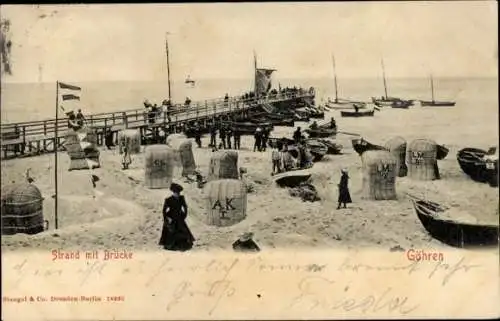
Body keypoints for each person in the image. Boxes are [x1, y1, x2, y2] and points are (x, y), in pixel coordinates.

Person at [159, 183, 195, 251]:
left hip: (179, 217)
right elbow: (164, 210)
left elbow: (185, 207)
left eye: (178, 193)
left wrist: (184, 215)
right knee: (171, 231)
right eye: (176, 192)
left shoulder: (181, 198)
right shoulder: (168, 199)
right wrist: (166, 219)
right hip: (171, 217)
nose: (177, 194)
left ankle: (183, 244)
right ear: (173, 192)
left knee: (182, 230)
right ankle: (171, 245)